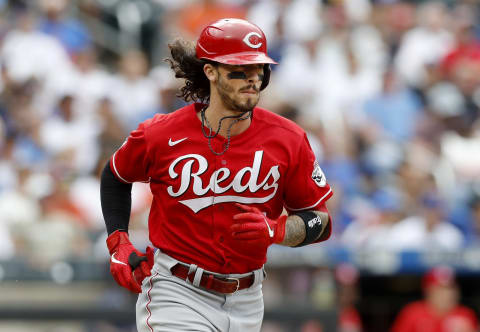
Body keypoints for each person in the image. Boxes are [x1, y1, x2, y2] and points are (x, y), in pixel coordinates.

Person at [100, 18, 333, 332]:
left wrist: (278, 230)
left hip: (249, 298)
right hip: (177, 289)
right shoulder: (162, 133)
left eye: (259, 69)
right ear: (210, 71)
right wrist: (119, 241)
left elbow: (320, 220)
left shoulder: (288, 139)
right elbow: (115, 175)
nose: (252, 79)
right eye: (239, 70)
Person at [391, 266, 478, 332]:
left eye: (450, 289)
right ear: (428, 291)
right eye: (440, 289)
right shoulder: (412, 313)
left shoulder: (465, 314)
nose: (447, 294)